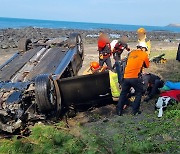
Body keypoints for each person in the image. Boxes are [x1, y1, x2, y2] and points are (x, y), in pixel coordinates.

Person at [116, 42, 149, 116]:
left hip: (126, 76)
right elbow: (147, 65)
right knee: (139, 93)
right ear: (143, 48)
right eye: (145, 49)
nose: (145, 50)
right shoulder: (144, 54)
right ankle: (135, 111)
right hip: (135, 77)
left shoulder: (131, 53)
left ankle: (119, 111)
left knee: (123, 93)